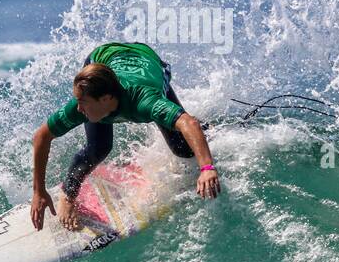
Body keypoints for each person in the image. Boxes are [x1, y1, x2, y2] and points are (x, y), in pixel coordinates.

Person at [30, 42, 219, 230]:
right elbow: (41, 136)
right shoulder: (86, 99)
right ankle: (68, 195)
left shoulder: (146, 101)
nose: (78, 108)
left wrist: (207, 168)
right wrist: (39, 191)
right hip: (104, 58)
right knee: (99, 147)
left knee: (183, 149)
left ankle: (209, 128)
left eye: (83, 102)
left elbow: (189, 123)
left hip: (147, 61)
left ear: (105, 99)